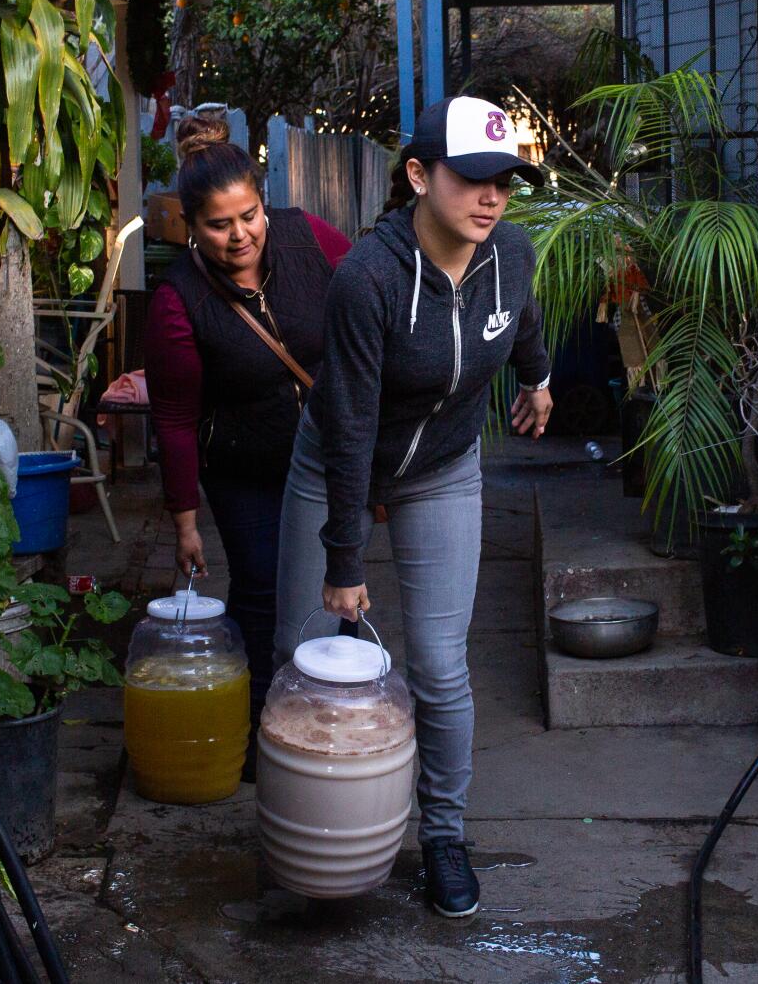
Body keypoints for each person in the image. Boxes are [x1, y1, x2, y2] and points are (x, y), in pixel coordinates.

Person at [275, 95, 553, 918]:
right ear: (419, 176)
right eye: (472, 178)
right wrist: (345, 559)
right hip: (335, 464)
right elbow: (353, 421)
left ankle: (442, 835)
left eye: (505, 180)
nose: (492, 196)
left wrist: (536, 379)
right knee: (305, 654)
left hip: (441, 467)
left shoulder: (511, 255)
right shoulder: (369, 277)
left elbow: (521, 321)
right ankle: (307, 831)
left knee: (438, 664)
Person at [145, 116, 352, 770]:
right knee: (261, 590)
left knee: (336, 585)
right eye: (219, 223)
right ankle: (261, 741)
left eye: (249, 215)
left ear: (265, 204)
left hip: (324, 459)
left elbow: (367, 295)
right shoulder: (179, 300)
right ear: (190, 224)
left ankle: (331, 717)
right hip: (244, 469)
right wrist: (184, 518)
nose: (240, 235)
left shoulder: (306, 237)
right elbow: (174, 417)